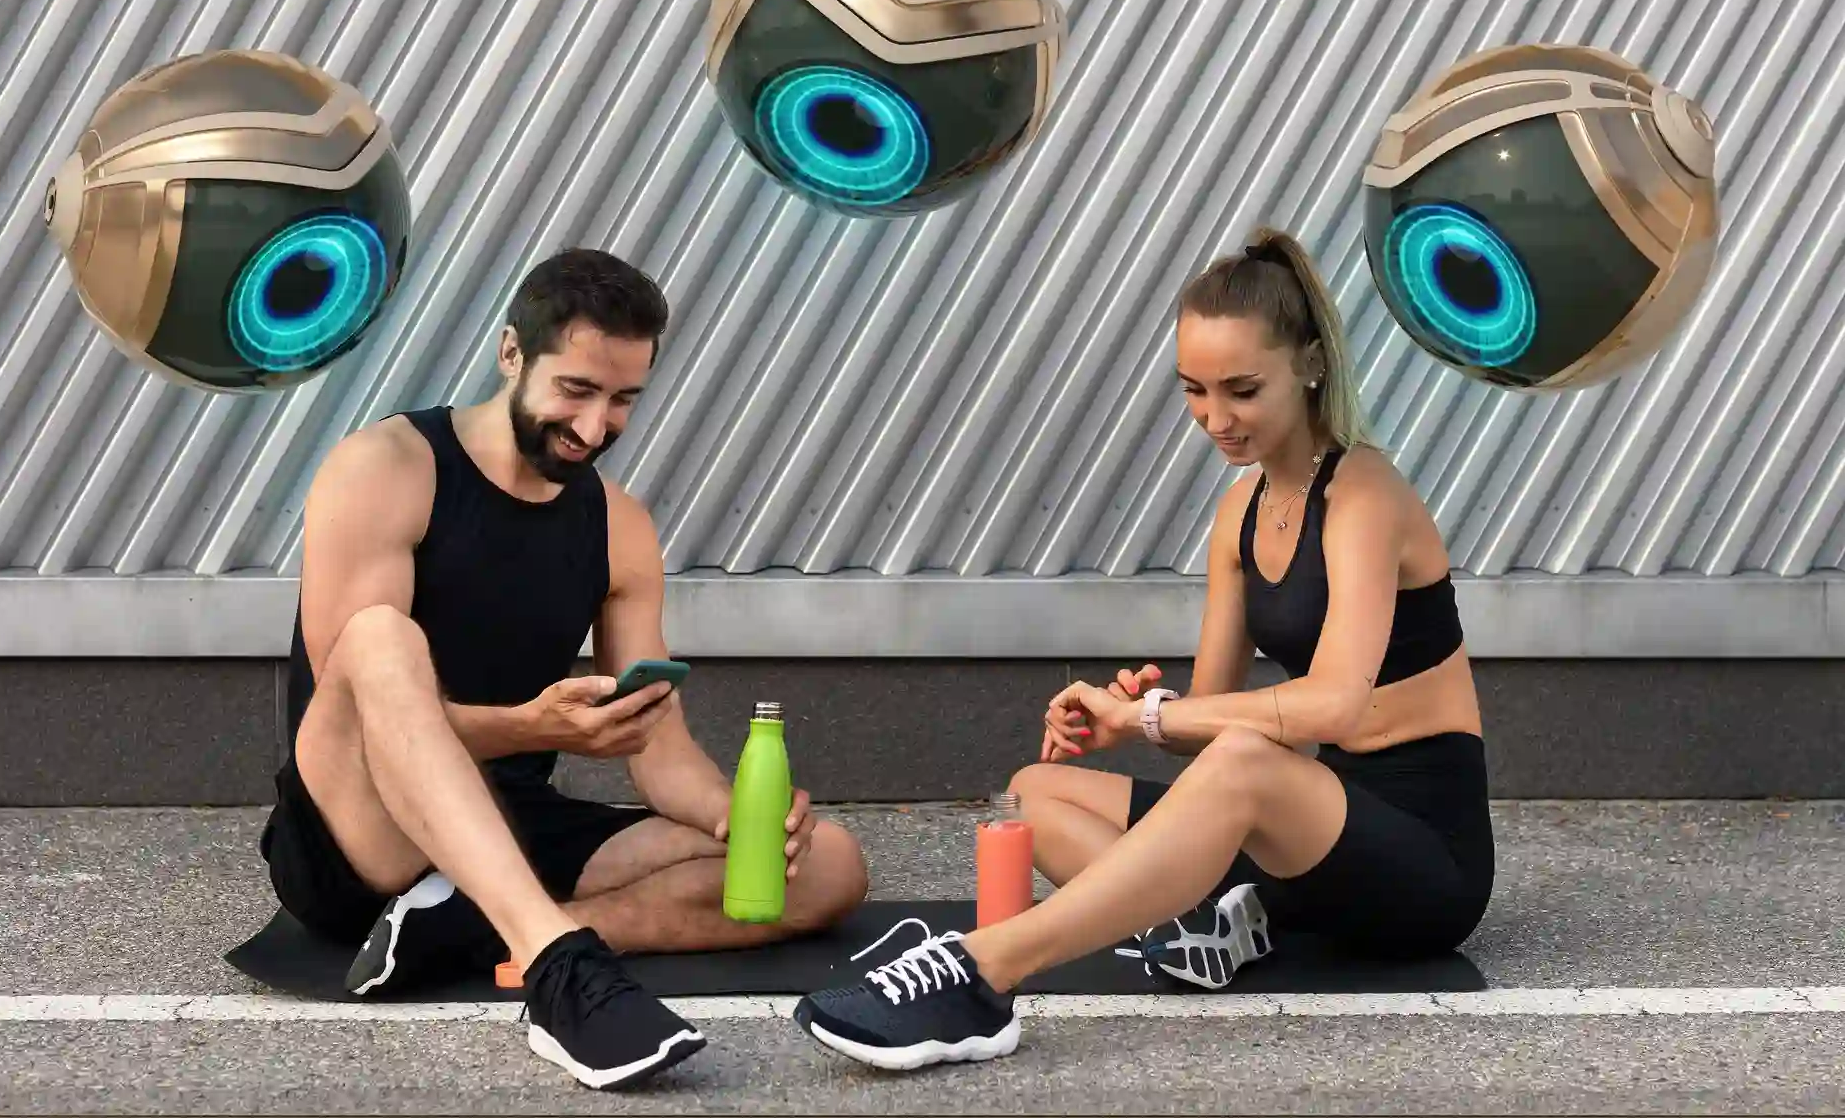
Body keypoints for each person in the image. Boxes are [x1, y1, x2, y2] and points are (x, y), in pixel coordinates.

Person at [789, 226, 1494, 1070]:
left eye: (1241, 389)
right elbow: (1217, 722)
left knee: (1236, 763)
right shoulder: (1238, 513)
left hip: (1421, 860)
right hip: (1308, 840)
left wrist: (1158, 716)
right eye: (1193, 390)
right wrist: (1125, 718)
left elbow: (1333, 703)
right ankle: (1207, 926)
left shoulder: (1365, 492)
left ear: (1309, 365)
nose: (1215, 418)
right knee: (1038, 789)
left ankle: (983, 973)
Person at [258, 247, 870, 1091]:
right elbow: (358, 713)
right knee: (378, 639)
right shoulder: (388, 467)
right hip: (357, 836)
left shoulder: (619, 525)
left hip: (511, 821)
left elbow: (659, 750)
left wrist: (739, 817)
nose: (594, 428)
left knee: (830, 864)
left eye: (622, 400)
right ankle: (555, 966)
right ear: (513, 353)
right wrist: (530, 727)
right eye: (576, 390)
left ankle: (499, 928)